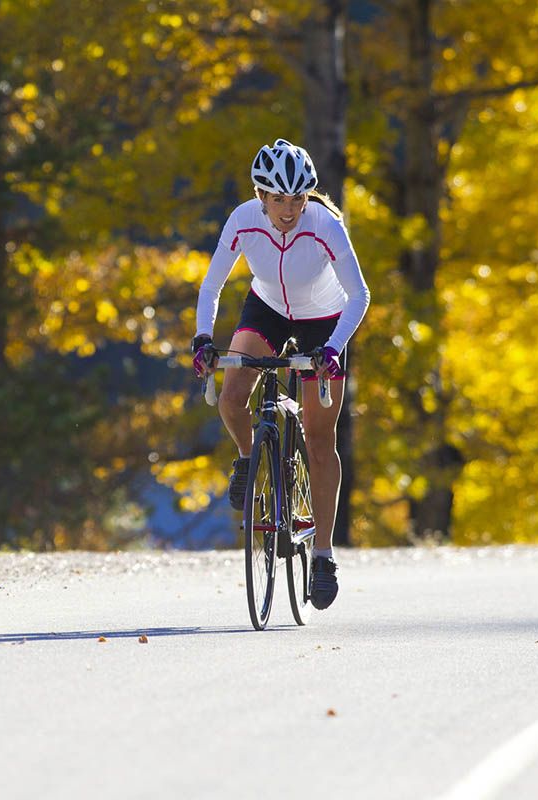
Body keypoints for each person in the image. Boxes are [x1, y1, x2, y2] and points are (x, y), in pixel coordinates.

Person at [190, 138, 370, 611]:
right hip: (267, 308)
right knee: (231, 396)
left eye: (297, 199)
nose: (288, 210)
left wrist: (333, 349)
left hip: (324, 320)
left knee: (317, 439)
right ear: (260, 196)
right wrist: (203, 340)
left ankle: (324, 555)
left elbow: (360, 296)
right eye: (278, 199)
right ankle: (250, 460)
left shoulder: (325, 225)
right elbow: (212, 285)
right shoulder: (242, 221)